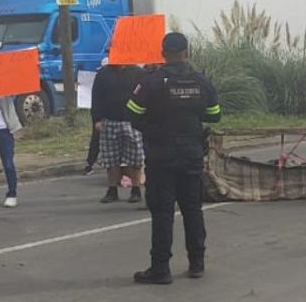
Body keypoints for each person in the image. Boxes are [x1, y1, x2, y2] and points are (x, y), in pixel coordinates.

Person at [125, 33, 222, 284]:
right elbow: (214, 115)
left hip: (160, 155)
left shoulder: (152, 82)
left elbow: (133, 114)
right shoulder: (201, 82)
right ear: (187, 53)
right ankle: (197, 263)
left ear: (163, 53)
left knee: (162, 212)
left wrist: (152, 125)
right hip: (190, 154)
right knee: (192, 209)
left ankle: (161, 269)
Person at [92, 61, 145, 204]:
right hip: (110, 120)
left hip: (132, 122)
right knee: (111, 159)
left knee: (135, 159)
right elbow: (96, 97)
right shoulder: (103, 74)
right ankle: (112, 190)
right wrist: (97, 119)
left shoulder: (138, 73)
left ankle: (136, 189)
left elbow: (143, 96)